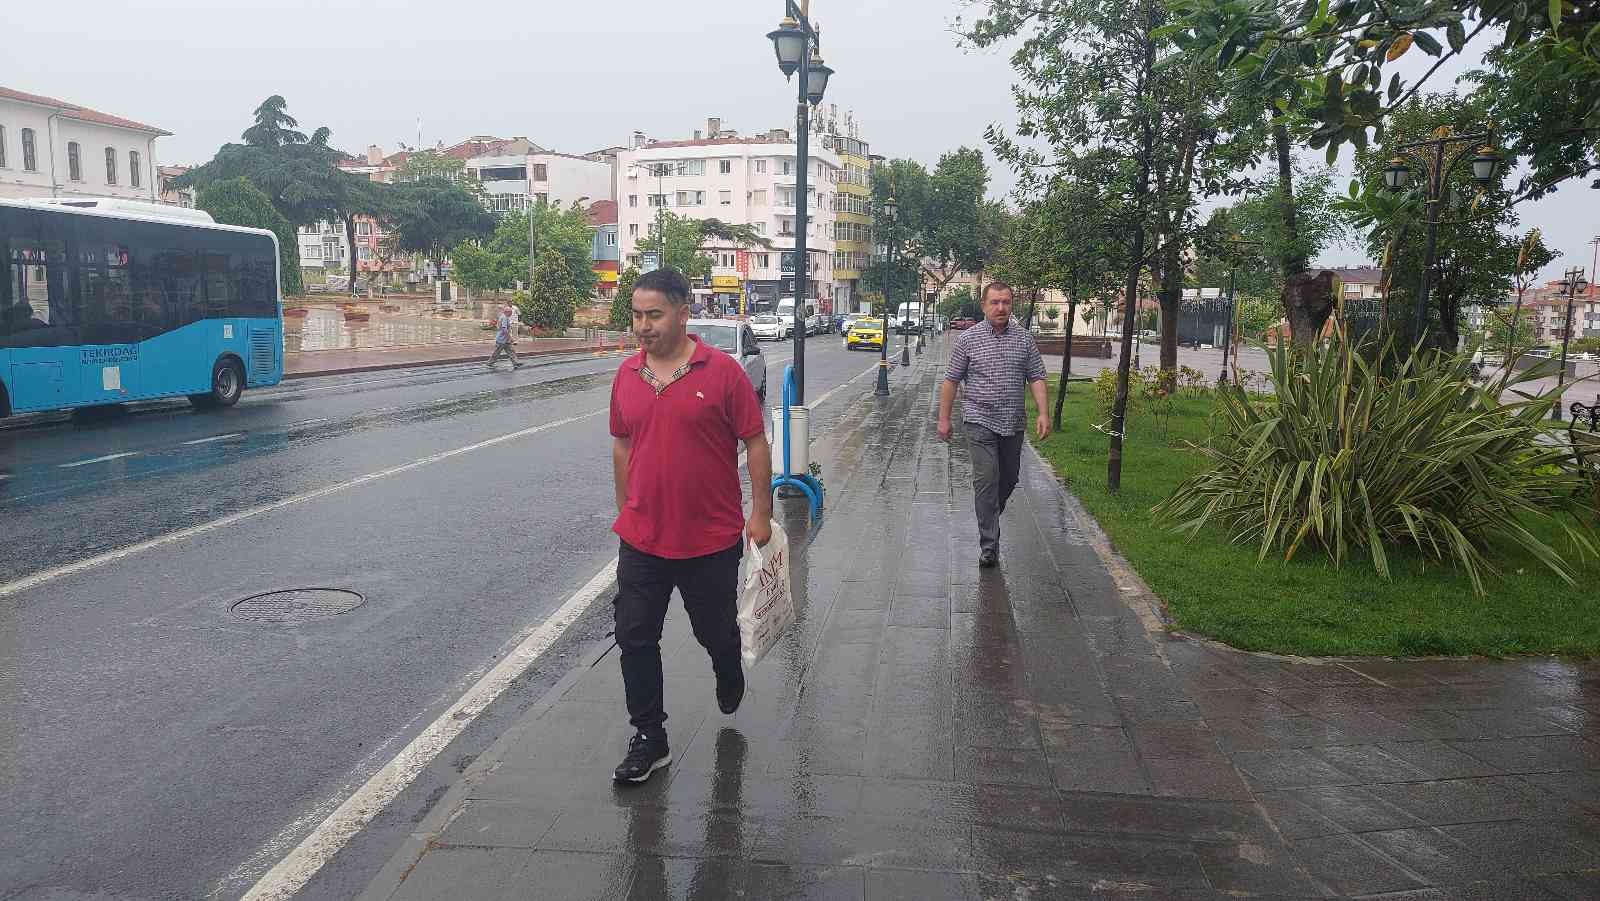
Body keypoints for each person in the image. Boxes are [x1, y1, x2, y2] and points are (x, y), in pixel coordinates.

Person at [608, 267, 774, 784]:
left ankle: (727, 666)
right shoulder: (627, 376)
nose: (642, 326)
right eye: (636, 315)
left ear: (683, 313)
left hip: (709, 538)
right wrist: (625, 507)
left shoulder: (722, 372)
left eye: (653, 314)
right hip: (643, 538)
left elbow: (755, 441)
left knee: (713, 630)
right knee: (634, 635)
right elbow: (621, 442)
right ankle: (649, 737)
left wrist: (762, 513)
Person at [937, 281, 1050, 568]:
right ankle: (989, 546)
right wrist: (944, 419)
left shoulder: (1024, 339)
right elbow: (951, 381)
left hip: (1012, 421)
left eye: (1006, 302)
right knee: (986, 480)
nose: (1001, 308)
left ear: (1012, 305)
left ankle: (987, 514)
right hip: (978, 420)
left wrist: (1043, 413)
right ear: (984, 305)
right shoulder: (968, 340)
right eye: (995, 302)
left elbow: (1036, 377)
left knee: (1009, 478)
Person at [486, 304, 522, 370]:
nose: (511, 313)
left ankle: (515, 362)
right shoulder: (505, 318)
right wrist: (510, 338)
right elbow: (504, 329)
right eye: (510, 312)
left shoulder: (503, 317)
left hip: (505, 340)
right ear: (507, 312)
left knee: (511, 351)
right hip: (502, 339)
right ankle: (490, 362)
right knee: (497, 352)